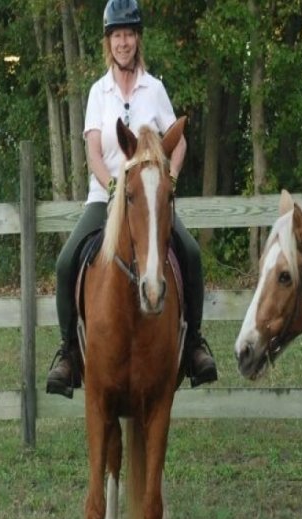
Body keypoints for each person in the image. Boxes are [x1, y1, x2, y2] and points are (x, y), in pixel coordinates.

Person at [46, 0, 217, 398]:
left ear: (138, 39)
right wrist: (110, 188)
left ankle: (194, 346)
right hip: (103, 198)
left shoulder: (154, 89)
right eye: (117, 35)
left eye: (129, 34)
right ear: (109, 42)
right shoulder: (97, 92)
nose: (123, 42)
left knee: (189, 253)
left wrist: (169, 177)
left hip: (150, 202)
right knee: (66, 260)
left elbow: (178, 139)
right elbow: (92, 151)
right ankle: (69, 351)